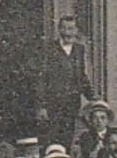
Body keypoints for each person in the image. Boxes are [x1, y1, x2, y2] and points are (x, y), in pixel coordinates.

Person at [37, 14, 95, 146]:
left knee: (68, 137)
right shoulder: (49, 49)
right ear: (59, 30)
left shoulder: (79, 49)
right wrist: (42, 106)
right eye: (65, 29)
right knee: (52, 138)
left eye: (71, 29)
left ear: (76, 31)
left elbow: (81, 75)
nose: (68, 33)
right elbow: (42, 78)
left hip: (72, 103)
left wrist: (92, 97)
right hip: (53, 103)